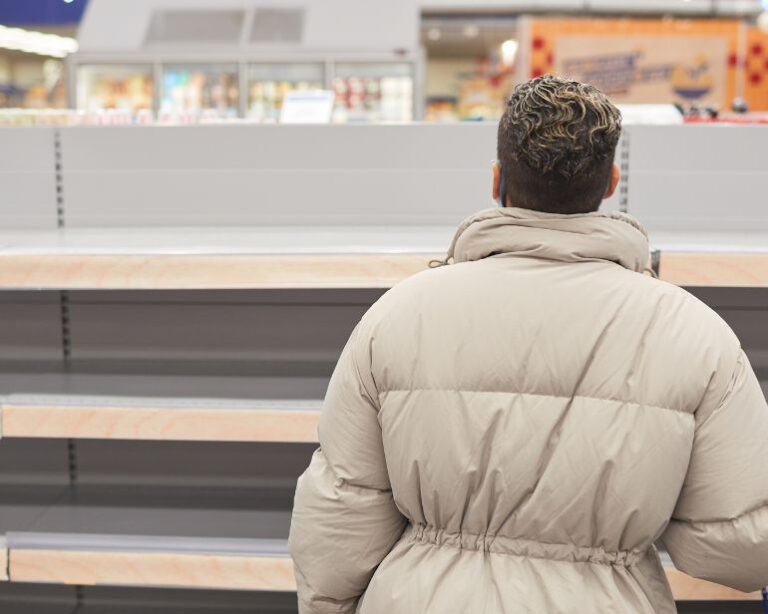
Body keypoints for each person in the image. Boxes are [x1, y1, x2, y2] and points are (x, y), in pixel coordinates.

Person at [288, 76, 768, 613]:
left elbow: (338, 519)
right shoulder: (695, 334)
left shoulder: (398, 316)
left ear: (497, 181)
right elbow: (741, 547)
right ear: (611, 181)